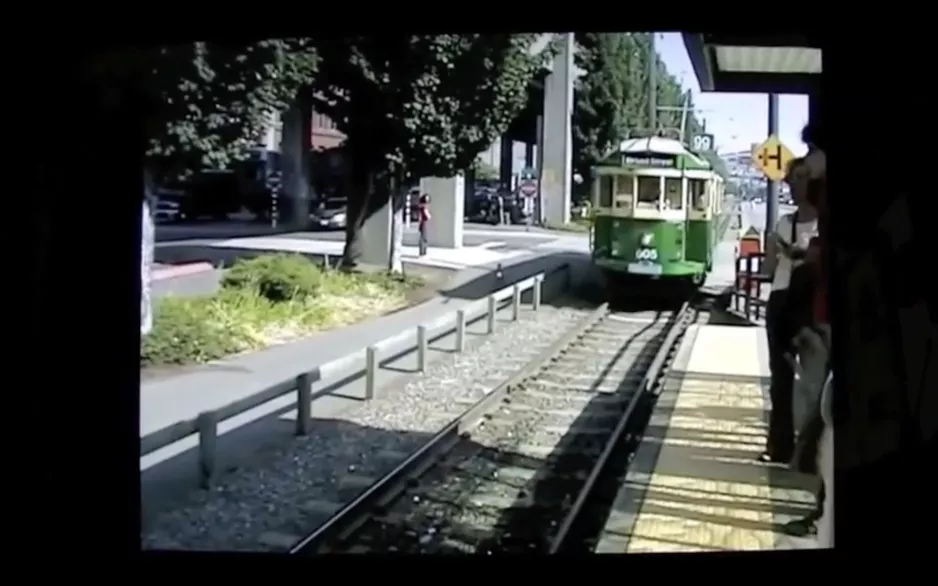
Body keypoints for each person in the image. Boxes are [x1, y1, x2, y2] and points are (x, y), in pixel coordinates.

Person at [760, 157, 819, 464]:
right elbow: (768, 269)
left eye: (801, 178)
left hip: (813, 309)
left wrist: (799, 255)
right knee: (780, 380)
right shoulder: (785, 223)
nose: (794, 186)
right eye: (792, 180)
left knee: (814, 382)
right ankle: (780, 446)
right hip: (782, 303)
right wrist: (772, 251)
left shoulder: (826, 225)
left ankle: (810, 452)